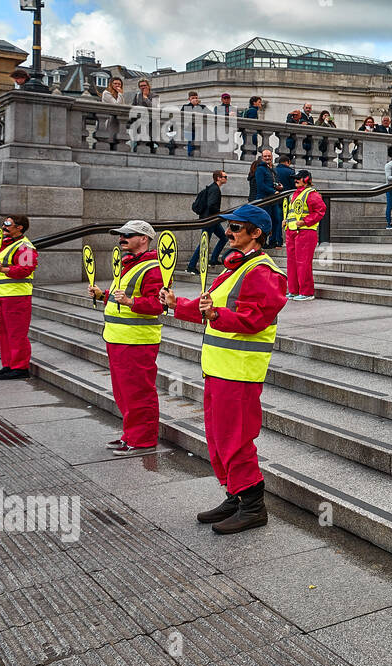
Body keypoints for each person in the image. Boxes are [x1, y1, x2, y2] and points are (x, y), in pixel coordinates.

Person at [160, 205, 286, 535]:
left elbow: (253, 320)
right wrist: (177, 304)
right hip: (218, 369)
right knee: (218, 440)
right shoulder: (234, 268)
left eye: (236, 228)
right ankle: (235, 495)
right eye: (228, 227)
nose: (228, 232)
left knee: (236, 441)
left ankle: (253, 506)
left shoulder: (263, 272)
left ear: (256, 233)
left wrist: (216, 316)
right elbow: (211, 307)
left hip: (240, 373)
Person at [88, 220, 163, 454]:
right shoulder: (129, 264)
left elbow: (158, 304)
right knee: (124, 393)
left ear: (144, 238)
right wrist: (103, 295)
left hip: (137, 341)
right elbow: (123, 295)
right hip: (119, 338)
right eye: (120, 235)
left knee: (139, 392)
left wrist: (130, 302)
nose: (121, 239)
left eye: (127, 235)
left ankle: (143, 440)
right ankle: (130, 435)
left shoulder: (154, 267)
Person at [0, 214, 37, 380]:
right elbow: (0, 268)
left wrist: (3, 269)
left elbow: (25, 270)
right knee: (4, 333)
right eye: (3, 223)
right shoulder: (4, 244)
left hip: (16, 297)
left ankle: (20, 368)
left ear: (19, 227)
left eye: (8, 224)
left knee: (16, 334)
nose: (3, 227)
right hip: (2, 296)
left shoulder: (25, 246)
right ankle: (8, 365)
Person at [284, 169, 325, 301]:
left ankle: (306, 292)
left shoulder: (312, 194)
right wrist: (286, 221)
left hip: (305, 232)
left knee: (303, 263)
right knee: (292, 263)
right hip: (292, 231)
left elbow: (320, 211)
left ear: (306, 179)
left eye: (298, 178)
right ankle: (294, 290)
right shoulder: (294, 195)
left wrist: (305, 222)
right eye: (295, 178)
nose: (295, 180)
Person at [187, 170, 229, 272]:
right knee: (204, 243)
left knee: (224, 237)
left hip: (212, 220)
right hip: (210, 220)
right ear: (218, 178)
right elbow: (211, 205)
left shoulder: (213, 188)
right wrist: (219, 213)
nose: (226, 178)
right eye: (225, 176)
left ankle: (213, 259)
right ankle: (191, 266)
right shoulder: (215, 189)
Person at [253, 149, 284, 247]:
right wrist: (273, 191)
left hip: (273, 199)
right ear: (262, 158)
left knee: (276, 220)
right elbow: (260, 185)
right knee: (265, 221)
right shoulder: (260, 169)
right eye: (265, 156)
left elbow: (273, 182)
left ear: (272, 157)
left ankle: (273, 241)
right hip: (264, 200)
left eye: (269, 156)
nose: (267, 158)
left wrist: (279, 186)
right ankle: (263, 242)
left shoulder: (272, 169)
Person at [127, 78, 156, 153]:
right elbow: (133, 107)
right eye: (141, 86)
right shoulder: (137, 96)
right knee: (139, 143)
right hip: (139, 124)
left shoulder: (155, 95)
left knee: (150, 143)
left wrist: (145, 98)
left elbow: (155, 108)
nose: (143, 87)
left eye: (144, 85)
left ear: (148, 86)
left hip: (151, 125)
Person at [180, 90, 209, 157]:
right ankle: (190, 155)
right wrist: (191, 105)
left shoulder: (203, 107)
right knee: (191, 143)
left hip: (200, 129)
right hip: (190, 129)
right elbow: (181, 116)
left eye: (196, 98)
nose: (195, 99)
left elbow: (210, 115)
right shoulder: (185, 106)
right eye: (193, 98)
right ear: (189, 99)